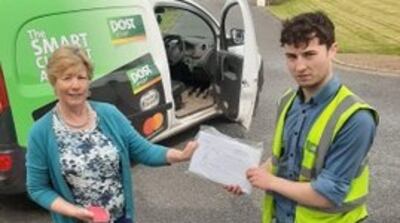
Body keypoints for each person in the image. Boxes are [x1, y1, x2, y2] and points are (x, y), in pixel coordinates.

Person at [225, 11, 379, 223]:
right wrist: (252, 177)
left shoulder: (356, 118)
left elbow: (329, 193)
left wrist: (268, 182)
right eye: (291, 56)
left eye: (309, 54)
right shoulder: (288, 101)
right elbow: (283, 159)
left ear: (332, 50)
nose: (299, 67)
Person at [26, 45, 197, 223]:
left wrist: (180, 155)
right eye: (66, 78)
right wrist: (75, 212)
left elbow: (144, 150)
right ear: (55, 82)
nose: (75, 85)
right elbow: (37, 188)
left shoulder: (109, 114)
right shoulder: (41, 131)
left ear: (88, 81)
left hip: (120, 218)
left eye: (81, 77)